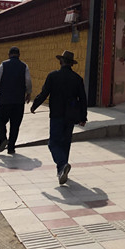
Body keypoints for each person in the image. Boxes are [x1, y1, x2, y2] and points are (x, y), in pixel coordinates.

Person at [31, 50, 87, 185]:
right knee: (65, 143)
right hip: (71, 116)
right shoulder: (77, 78)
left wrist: (35, 105)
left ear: (61, 61)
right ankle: (62, 171)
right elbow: (83, 99)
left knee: (53, 143)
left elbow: (44, 93)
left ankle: (62, 165)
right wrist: (83, 117)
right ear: (72, 64)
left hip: (56, 114)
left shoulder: (53, 76)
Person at [0, 47, 32, 154]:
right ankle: (11, 148)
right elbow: (28, 81)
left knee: (0, 122)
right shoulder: (24, 66)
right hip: (19, 101)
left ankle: (3, 139)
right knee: (15, 125)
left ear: (9, 54)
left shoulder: (4, 64)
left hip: (5, 100)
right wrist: (28, 93)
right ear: (19, 55)